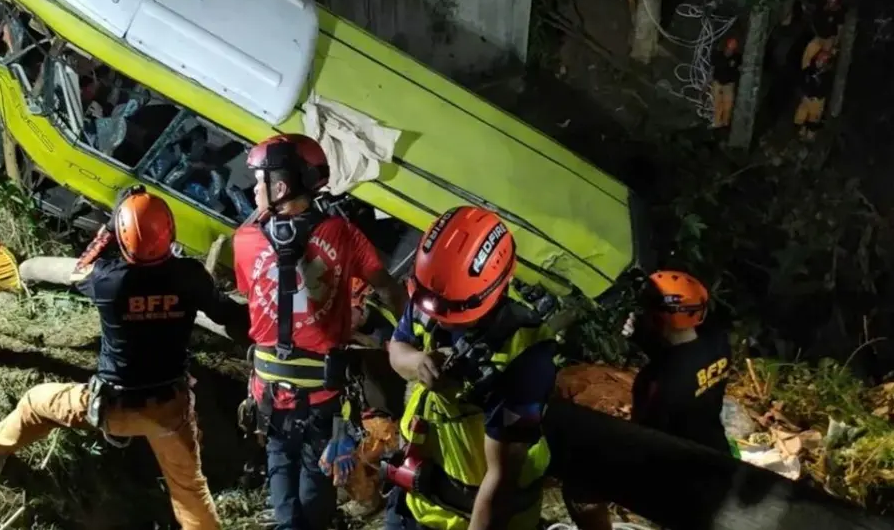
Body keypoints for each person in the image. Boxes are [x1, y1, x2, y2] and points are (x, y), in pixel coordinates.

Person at [0, 187, 248, 530]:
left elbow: (79, 269)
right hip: (170, 410)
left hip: (114, 407)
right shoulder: (190, 276)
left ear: (123, 240)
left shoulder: (108, 281)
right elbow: (226, 313)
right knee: (189, 490)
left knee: (36, 401)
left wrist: (108, 228)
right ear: (170, 231)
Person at [233, 133, 406, 530]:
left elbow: (254, 293)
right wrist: (408, 340)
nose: (254, 188)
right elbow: (386, 286)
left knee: (280, 467)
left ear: (280, 186)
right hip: (323, 393)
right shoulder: (343, 235)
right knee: (316, 478)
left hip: (269, 393)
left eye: (260, 181)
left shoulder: (244, 241)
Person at [383, 206, 555, 530]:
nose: (440, 318)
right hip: (421, 498)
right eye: (435, 307)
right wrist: (417, 362)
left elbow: (501, 479)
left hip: (477, 515)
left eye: (453, 310)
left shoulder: (525, 358)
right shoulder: (433, 294)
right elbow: (397, 349)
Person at [564, 270, 733, 530]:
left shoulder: (656, 382)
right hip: (715, 450)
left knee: (579, 488)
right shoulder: (719, 343)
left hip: (676, 474)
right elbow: (683, 358)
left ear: (658, 320)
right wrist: (644, 337)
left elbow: (643, 438)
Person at [795, 49, 834, 140]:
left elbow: (825, 90)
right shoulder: (809, 71)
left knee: (814, 119)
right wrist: (802, 94)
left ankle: (810, 136)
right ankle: (800, 133)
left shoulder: (827, 77)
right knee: (800, 115)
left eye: (821, 61)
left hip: (817, 101)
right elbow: (800, 81)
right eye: (818, 60)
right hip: (806, 98)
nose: (818, 63)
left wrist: (817, 97)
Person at [801, 0, 845, 70]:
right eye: (830, 2)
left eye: (833, 3)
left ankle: (819, 71)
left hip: (829, 39)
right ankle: (805, 69)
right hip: (818, 36)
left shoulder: (839, 13)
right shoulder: (821, 6)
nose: (831, 4)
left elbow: (840, 28)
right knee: (809, 50)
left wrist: (835, 43)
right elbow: (814, 17)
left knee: (823, 57)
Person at [711, 37, 742, 129]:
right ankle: (716, 123)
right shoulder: (718, 55)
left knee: (727, 106)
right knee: (717, 104)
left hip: (729, 84)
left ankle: (725, 123)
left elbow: (740, 69)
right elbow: (713, 68)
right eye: (729, 47)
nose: (730, 50)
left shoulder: (737, 58)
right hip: (718, 82)